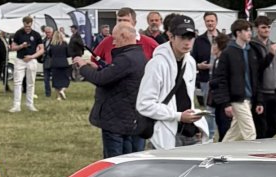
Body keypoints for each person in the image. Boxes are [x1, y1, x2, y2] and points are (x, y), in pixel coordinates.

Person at [74, 23, 147, 157]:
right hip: (128, 117)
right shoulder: (138, 55)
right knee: (127, 157)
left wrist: (83, 67)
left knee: (114, 161)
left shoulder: (126, 58)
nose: (113, 42)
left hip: (116, 118)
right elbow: (115, 74)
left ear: (124, 36)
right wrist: (98, 67)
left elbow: (100, 79)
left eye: (114, 38)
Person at [137, 13, 207, 148]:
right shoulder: (157, 64)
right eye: (182, 37)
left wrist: (195, 123)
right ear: (170, 36)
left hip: (190, 132)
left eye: (191, 37)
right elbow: (144, 104)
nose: (187, 42)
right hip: (165, 133)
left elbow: (187, 98)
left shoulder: (191, 62)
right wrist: (178, 116)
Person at [210, 17, 262, 141]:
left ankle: (220, 151)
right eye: (246, 30)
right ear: (238, 33)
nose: (250, 33)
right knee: (250, 133)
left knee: (234, 133)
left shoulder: (251, 51)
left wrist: (259, 100)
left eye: (250, 30)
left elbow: (255, 77)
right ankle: (252, 158)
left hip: (248, 98)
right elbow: (221, 79)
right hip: (237, 99)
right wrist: (226, 103)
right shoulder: (228, 53)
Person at [253, 16, 276, 137]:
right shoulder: (253, 46)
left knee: (275, 125)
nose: (267, 30)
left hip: (275, 92)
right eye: (263, 27)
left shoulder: (275, 46)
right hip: (261, 92)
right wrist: (270, 55)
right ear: (257, 29)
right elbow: (257, 69)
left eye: (269, 27)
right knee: (261, 127)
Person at [92, 6, 159, 62]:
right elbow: (94, 60)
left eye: (125, 20)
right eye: (119, 20)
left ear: (134, 23)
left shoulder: (149, 43)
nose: (122, 24)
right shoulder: (107, 41)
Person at [9, 15, 43, 112]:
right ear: (23, 24)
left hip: (31, 60)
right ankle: (16, 105)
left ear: (31, 24)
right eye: (25, 26)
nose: (27, 28)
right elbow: (13, 47)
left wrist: (32, 56)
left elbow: (42, 49)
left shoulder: (36, 35)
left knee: (31, 83)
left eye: (29, 26)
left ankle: (30, 104)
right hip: (20, 59)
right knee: (17, 82)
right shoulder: (18, 33)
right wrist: (21, 46)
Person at [193, 12, 219, 103]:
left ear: (216, 22)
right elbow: (192, 59)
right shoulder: (199, 40)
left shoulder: (224, 39)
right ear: (204, 22)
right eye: (207, 21)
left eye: (212, 21)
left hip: (221, 80)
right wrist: (199, 66)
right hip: (204, 80)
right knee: (204, 108)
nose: (210, 23)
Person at [45, 25, 71, 100]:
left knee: (55, 80)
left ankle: (58, 96)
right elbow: (68, 54)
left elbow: (49, 54)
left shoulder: (52, 45)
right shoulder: (65, 44)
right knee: (66, 79)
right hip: (63, 63)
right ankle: (62, 90)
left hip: (54, 64)